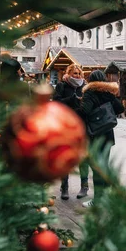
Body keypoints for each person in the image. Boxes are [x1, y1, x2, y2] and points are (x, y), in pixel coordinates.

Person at [77, 70, 125, 208]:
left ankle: (98, 200)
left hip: (94, 135)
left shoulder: (90, 93)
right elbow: (120, 108)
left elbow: (84, 112)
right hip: (107, 135)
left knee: (97, 168)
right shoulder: (108, 93)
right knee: (104, 166)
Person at [52, 64, 90, 200]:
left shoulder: (85, 87)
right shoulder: (61, 86)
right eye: (74, 73)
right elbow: (55, 103)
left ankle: (84, 186)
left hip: (81, 126)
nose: (77, 76)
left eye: (79, 73)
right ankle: (64, 187)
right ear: (69, 73)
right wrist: (71, 99)